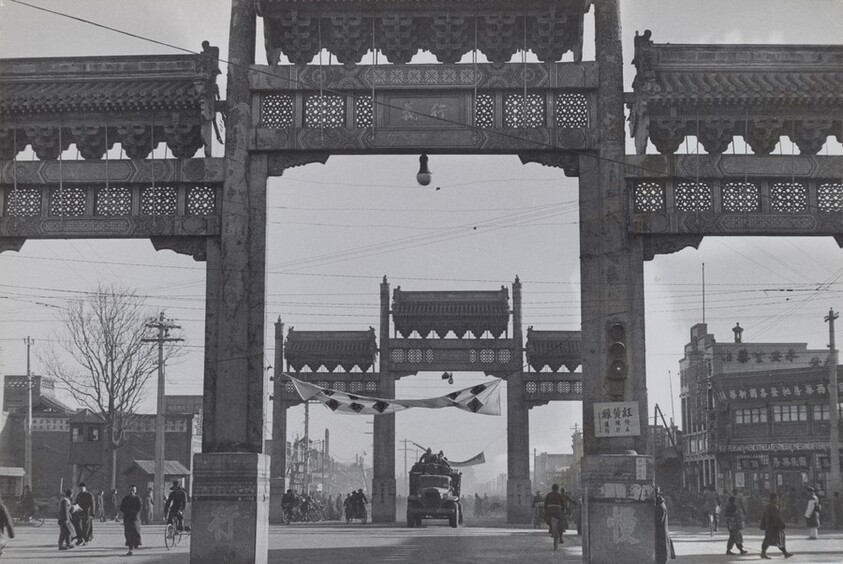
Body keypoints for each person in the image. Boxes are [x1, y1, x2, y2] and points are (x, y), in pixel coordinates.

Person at [760, 492, 793, 559]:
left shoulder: (768, 506)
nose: (777, 500)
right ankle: (784, 553)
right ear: (774, 499)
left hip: (769, 526)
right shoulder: (773, 507)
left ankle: (784, 553)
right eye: (776, 498)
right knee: (777, 539)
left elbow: (764, 516)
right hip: (774, 527)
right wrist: (782, 524)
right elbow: (777, 517)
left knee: (771, 539)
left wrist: (762, 524)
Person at [120, 484, 142, 556]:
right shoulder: (125, 498)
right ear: (129, 490)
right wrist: (126, 511)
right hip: (127, 518)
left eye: (133, 490)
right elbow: (121, 507)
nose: (132, 492)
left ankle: (136, 543)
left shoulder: (137, 498)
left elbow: (139, 507)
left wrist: (135, 514)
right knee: (128, 533)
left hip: (135, 518)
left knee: (135, 531)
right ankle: (130, 548)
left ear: (135, 491)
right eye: (131, 490)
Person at [654, 487, 674, 563]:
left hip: (661, 536)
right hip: (662, 536)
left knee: (661, 559)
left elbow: (658, 521)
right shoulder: (661, 504)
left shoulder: (660, 506)